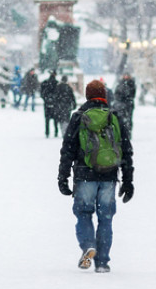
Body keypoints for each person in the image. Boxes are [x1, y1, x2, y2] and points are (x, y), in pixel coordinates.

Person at [57, 79, 134, 273]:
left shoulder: (79, 117)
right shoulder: (114, 117)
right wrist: (128, 180)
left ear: (87, 95)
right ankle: (102, 262)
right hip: (109, 176)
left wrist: (63, 177)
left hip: (84, 175)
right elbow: (126, 150)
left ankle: (88, 245)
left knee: (83, 214)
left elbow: (67, 150)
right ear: (104, 96)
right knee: (106, 218)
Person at [113, 73, 136, 138]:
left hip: (128, 104)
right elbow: (116, 93)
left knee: (128, 119)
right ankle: (123, 133)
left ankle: (128, 133)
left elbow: (132, 94)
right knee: (121, 119)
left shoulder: (131, 83)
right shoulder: (120, 83)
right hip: (121, 105)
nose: (126, 77)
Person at [40, 70, 61, 137]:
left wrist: (45, 99)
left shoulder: (45, 83)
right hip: (55, 103)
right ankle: (56, 131)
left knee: (47, 119)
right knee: (55, 119)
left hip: (47, 103)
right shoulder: (57, 83)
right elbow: (59, 95)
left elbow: (42, 93)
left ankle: (47, 132)